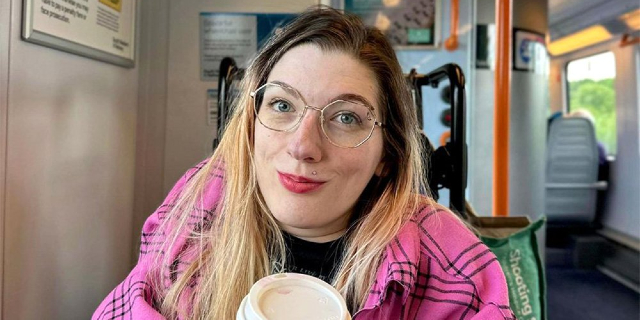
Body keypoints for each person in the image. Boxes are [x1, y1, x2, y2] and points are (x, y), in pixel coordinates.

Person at [93, 6, 514, 320]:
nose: (302, 146)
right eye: (281, 104)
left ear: (387, 154)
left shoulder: (451, 267)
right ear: (250, 124)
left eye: (346, 117)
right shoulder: (195, 211)